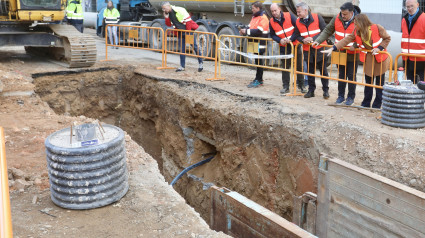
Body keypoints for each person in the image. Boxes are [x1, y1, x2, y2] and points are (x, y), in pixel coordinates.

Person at [322, 14, 391, 109]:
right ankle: (366, 104)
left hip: (380, 59)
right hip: (369, 59)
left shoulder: (377, 27)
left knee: (379, 84)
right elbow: (346, 40)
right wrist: (333, 48)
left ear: (362, 23)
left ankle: (377, 105)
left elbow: (387, 38)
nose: (355, 26)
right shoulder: (357, 31)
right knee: (368, 83)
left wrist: (379, 48)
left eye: (356, 24)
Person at [313, 2, 361, 105]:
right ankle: (340, 96)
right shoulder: (337, 18)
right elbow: (328, 30)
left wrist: (356, 45)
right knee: (341, 75)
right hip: (339, 51)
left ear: (351, 12)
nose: (342, 16)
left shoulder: (359, 20)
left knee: (351, 76)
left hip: (353, 52)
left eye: (345, 14)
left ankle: (350, 97)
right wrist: (319, 40)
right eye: (342, 13)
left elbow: (363, 35)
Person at [291, 2, 329, 99]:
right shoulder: (298, 21)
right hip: (308, 50)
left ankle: (326, 91)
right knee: (310, 71)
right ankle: (311, 91)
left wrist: (312, 39)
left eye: (299, 12)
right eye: (297, 12)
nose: (297, 14)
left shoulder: (317, 17)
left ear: (305, 10)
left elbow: (325, 31)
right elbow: (297, 35)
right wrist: (302, 40)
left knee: (323, 71)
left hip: (320, 48)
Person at [269, 3, 306, 94]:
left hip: (295, 45)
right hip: (284, 47)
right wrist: (279, 40)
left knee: (298, 66)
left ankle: (301, 86)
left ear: (279, 9)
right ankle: (285, 86)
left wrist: (290, 39)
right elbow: (272, 35)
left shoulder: (289, 15)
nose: (274, 13)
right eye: (272, 11)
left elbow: (298, 29)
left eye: (275, 10)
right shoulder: (271, 21)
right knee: (285, 67)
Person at [162, 2, 203, 72]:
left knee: (195, 47)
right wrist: (166, 17)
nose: (164, 10)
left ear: (168, 6)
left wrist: (188, 33)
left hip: (188, 31)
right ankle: (182, 66)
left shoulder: (179, 10)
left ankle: (200, 63)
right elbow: (168, 24)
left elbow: (188, 21)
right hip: (180, 33)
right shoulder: (169, 14)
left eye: (164, 8)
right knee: (182, 49)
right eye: (163, 9)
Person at [239, 1, 269, 88]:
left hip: (260, 43)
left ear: (258, 8)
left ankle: (259, 79)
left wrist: (246, 31)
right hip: (255, 42)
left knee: (259, 61)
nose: (252, 10)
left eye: (253, 8)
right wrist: (244, 30)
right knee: (257, 61)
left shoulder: (263, 17)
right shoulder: (255, 17)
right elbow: (250, 26)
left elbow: (259, 31)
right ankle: (258, 79)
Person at [401, 0, 425, 83]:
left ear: (418, 5)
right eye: (408, 7)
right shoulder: (404, 19)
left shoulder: (424, 18)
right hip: (407, 59)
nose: (410, 8)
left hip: (421, 60)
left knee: (421, 87)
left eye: (412, 6)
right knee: (410, 86)